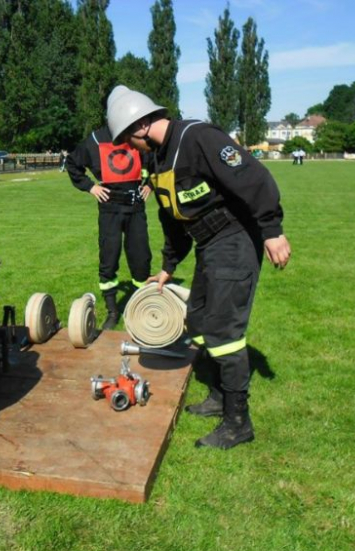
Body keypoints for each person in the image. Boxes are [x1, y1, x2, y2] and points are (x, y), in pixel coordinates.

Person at [106, 85, 291, 450]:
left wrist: (272, 231)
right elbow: (172, 219)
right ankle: (220, 396)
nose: (129, 145)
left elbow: (254, 178)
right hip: (208, 244)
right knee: (200, 320)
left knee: (224, 331)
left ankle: (238, 422)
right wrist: (169, 266)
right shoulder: (158, 161)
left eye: (129, 136)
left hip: (234, 239)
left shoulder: (199, 137)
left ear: (142, 125)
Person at [66, 124, 152, 329]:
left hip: (135, 209)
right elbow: (72, 162)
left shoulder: (138, 135)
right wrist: (90, 186)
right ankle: (112, 311)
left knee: (141, 259)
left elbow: (158, 161)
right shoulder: (96, 139)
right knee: (109, 258)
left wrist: (150, 184)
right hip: (110, 210)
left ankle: (139, 306)